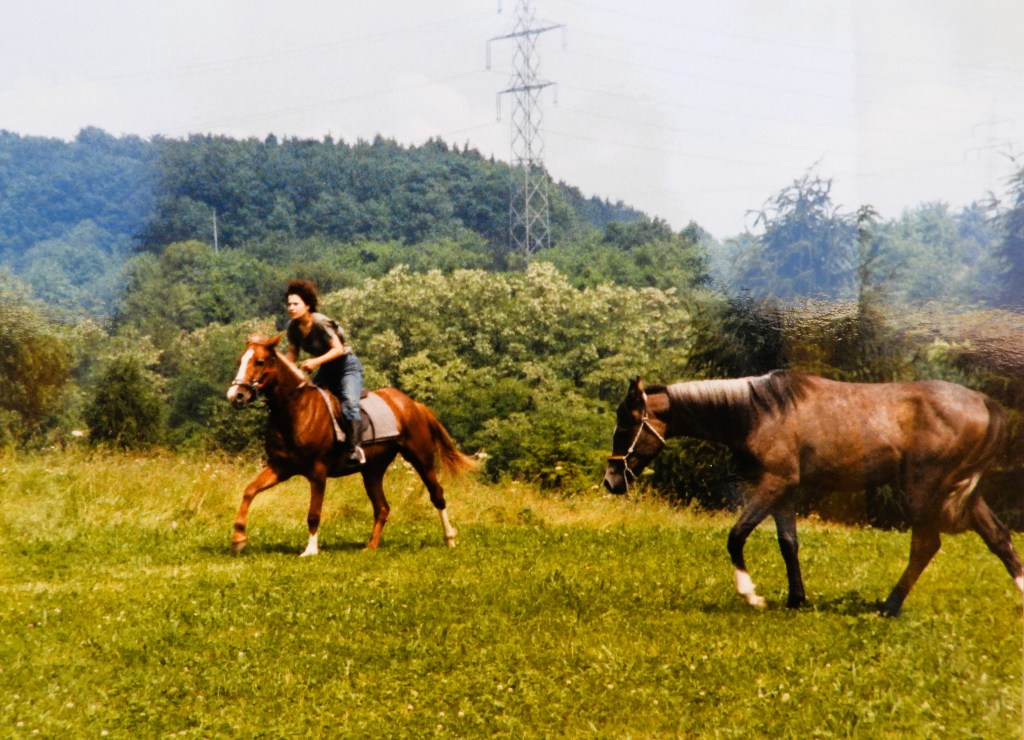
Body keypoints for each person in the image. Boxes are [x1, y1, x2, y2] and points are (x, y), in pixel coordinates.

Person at [284, 279, 365, 464]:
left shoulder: (320, 322)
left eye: (295, 304)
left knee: (350, 403)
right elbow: (292, 354)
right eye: (289, 304)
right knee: (307, 400)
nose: (291, 308)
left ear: (307, 305)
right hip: (327, 369)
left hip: (346, 366)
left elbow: (338, 349)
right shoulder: (292, 327)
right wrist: (279, 366)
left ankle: (356, 449)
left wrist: (314, 362)